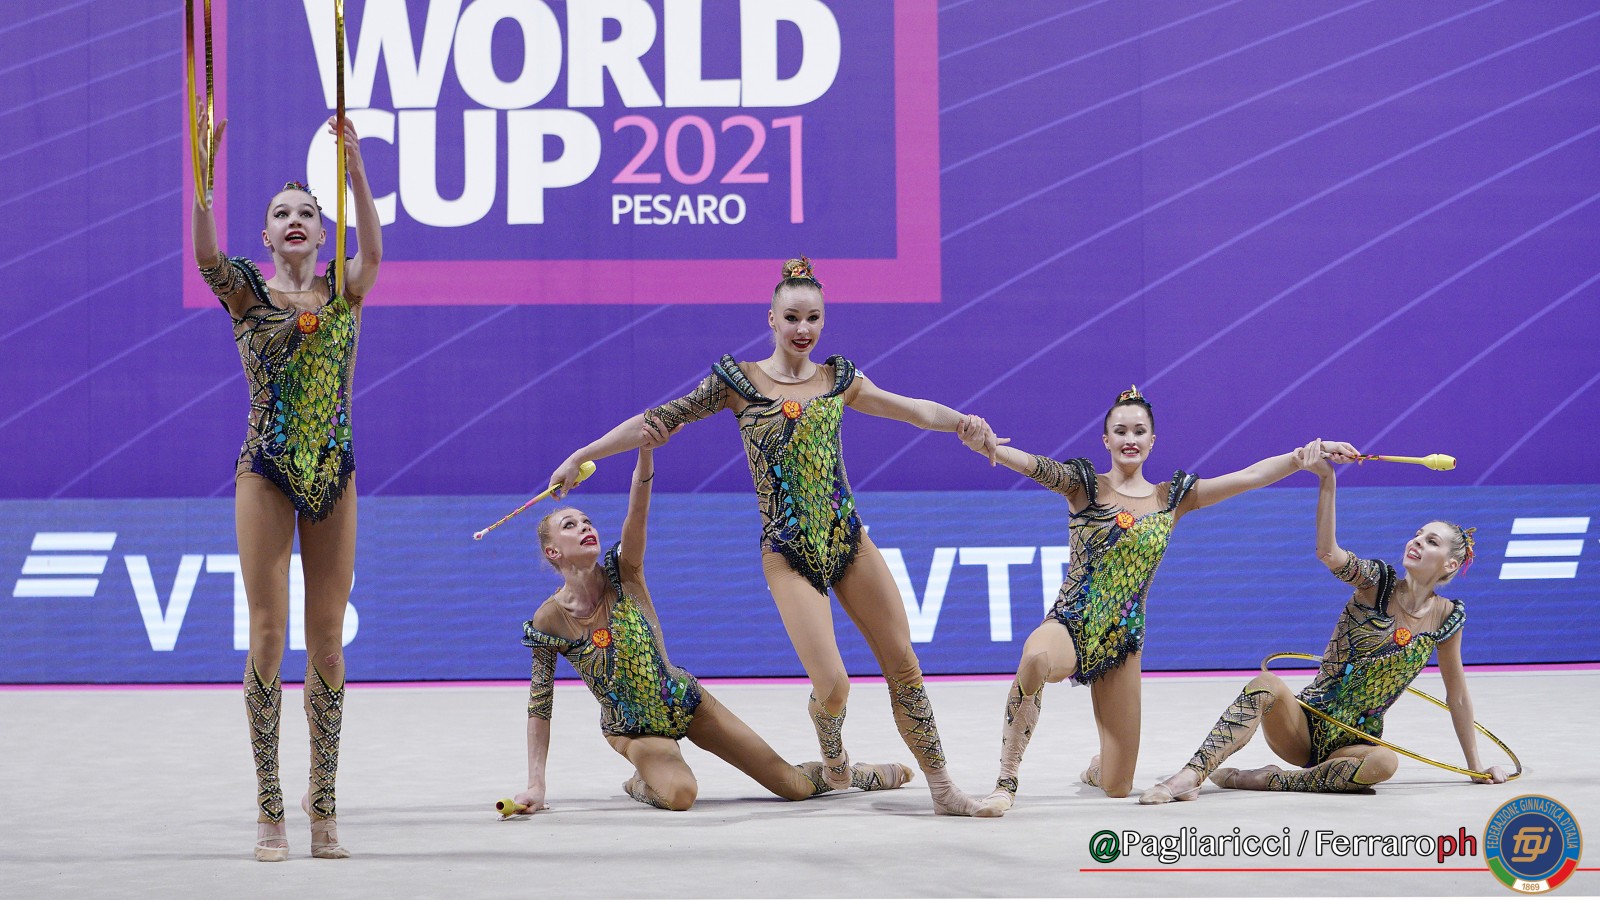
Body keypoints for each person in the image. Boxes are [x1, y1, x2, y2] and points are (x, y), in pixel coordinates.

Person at [545, 258, 998, 815]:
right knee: (833, 685)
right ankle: (834, 757)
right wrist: (581, 455)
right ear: (771, 319)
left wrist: (963, 424)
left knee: (903, 662)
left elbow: (913, 411)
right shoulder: (738, 383)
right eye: (792, 318)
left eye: (813, 318)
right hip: (788, 552)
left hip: (848, 539)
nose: (803, 329)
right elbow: (653, 421)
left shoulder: (838, 380)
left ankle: (944, 789)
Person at [953, 387, 1357, 814]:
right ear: (1106, 439)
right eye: (1120, 431)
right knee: (1035, 658)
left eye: (1139, 431)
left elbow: (1251, 475)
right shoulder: (1083, 485)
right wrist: (990, 447)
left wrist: (1305, 456)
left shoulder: (1171, 498)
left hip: (1123, 642)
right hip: (1072, 622)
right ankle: (1005, 783)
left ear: (1152, 441)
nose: (1130, 438)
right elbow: (1033, 464)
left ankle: (1097, 769)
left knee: (1117, 786)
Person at [511, 435, 912, 813]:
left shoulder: (624, 571)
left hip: (684, 700)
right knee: (680, 795)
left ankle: (854, 774)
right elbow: (539, 705)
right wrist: (536, 785)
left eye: (586, 520)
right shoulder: (549, 619)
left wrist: (645, 452)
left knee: (793, 786)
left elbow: (638, 512)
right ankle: (640, 782)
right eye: (570, 525)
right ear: (552, 551)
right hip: (634, 729)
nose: (585, 527)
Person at [192, 109, 382, 860]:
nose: (294, 220)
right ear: (266, 237)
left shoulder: (345, 291)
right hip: (264, 472)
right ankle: (270, 804)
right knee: (268, 635)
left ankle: (323, 802)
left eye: (306, 211)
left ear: (323, 232)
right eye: (280, 214)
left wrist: (357, 172)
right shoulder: (246, 293)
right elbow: (206, 255)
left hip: (335, 471)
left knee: (327, 644)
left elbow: (374, 251)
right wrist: (205, 181)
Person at [1138, 440, 1509, 802]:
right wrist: (1327, 480)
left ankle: (1270, 780)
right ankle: (1191, 775)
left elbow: (1457, 695)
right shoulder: (1376, 582)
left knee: (1385, 762)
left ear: (1450, 564)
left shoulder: (1447, 618)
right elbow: (1328, 553)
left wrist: (1475, 768)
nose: (1417, 542)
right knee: (1266, 684)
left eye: (1431, 541)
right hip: (1304, 725)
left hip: (1354, 743)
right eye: (1417, 535)